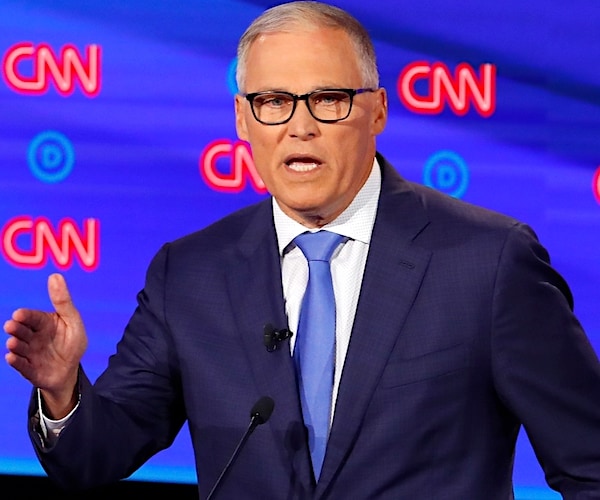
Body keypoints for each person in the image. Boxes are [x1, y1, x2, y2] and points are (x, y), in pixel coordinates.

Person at [4, 1, 600, 498]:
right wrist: (61, 391)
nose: (300, 126)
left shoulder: (489, 261)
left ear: (378, 111)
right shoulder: (189, 273)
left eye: (330, 98)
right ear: (243, 119)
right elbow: (94, 458)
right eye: (273, 102)